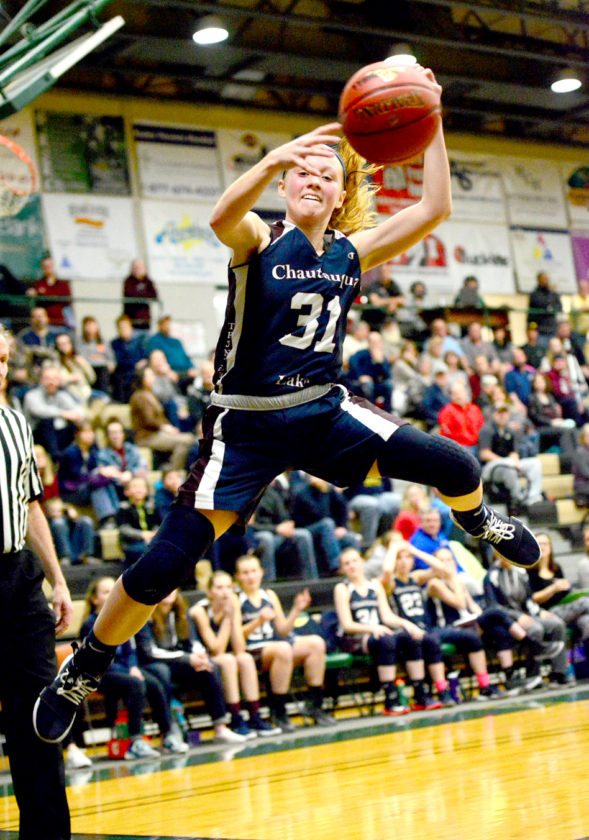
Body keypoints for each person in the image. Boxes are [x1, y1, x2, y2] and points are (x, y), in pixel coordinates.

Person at [33, 94, 541, 746]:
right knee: (161, 567)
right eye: (302, 171)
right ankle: (85, 666)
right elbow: (221, 217)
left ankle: (478, 521)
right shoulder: (259, 239)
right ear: (283, 184)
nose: (312, 179)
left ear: (338, 196)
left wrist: (434, 119)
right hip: (244, 428)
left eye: (326, 175)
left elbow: (434, 208)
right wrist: (274, 157)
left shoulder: (350, 252)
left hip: (322, 411)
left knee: (457, 464)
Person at [0, 326, 73, 839]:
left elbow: (30, 505)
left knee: (38, 718)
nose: (0, 368)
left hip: (19, 580)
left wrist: (58, 580)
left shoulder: (15, 423)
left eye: (4, 359)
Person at [81, 576, 186, 759]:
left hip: (124, 669)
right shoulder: (90, 624)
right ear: (94, 599)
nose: (111, 595)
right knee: (136, 684)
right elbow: (97, 659)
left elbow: (131, 650)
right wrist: (128, 671)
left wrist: (133, 667)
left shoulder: (124, 618)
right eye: (105, 592)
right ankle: (135, 741)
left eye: (113, 591)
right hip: (101, 674)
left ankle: (167, 734)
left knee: (154, 683)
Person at [335, 547, 440, 713]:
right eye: (347, 563)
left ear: (362, 562)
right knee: (386, 640)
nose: (352, 566)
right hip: (354, 638)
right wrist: (373, 628)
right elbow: (347, 624)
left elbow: (387, 616)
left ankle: (420, 694)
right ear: (342, 569)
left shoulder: (374, 585)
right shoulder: (342, 588)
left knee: (410, 637)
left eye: (354, 561)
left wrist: (406, 624)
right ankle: (391, 698)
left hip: (378, 633)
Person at [235, 553, 334, 729]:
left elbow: (282, 630)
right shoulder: (236, 599)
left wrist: (296, 609)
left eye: (254, 571)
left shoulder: (269, 595)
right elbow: (235, 635)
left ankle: (315, 704)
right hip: (252, 650)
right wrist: (258, 621)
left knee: (316, 643)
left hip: (277, 647)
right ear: (238, 576)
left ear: (261, 572)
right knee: (283, 649)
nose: (250, 576)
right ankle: (279, 710)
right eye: (245, 573)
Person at [134, 588, 246, 744]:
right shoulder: (145, 614)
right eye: (164, 587)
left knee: (209, 667)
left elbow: (193, 642)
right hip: (153, 663)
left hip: (179, 662)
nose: (169, 591)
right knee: (162, 671)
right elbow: (149, 652)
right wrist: (187, 658)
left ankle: (221, 727)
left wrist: (201, 657)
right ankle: (168, 730)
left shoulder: (181, 611)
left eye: (172, 587)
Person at [190, 570, 281, 737]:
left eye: (228, 587)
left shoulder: (233, 606)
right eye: (219, 588)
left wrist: (233, 616)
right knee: (228, 660)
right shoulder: (200, 610)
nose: (225, 592)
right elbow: (216, 648)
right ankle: (236, 717)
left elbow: (240, 648)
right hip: (205, 657)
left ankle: (255, 715)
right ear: (210, 592)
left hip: (227, 655)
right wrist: (227, 619)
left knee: (245, 659)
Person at [26, 256, 74, 329]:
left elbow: (66, 299)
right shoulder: (39, 283)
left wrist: (44, 294)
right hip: (44, 324)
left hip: (61, 323)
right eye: (45, 266)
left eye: (50, 266)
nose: (48, 268)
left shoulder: (62, 283)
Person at [122, 258, 159, 331]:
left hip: (145, 321)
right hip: (132, 320)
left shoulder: (148, 281)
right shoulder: (128, 281)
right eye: (136, 267)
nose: (138, 270)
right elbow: (130, 294)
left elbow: (154, 294)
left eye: (140, 268)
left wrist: (141, 295)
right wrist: (144, 295)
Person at [528, 271, 562, 343]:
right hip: (540, 329)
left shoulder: (552, 293)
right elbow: (541, 305)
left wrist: (552, 308)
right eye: (544, 279)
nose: (546, 281)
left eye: (547, 279)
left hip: (552, 328)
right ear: (539, 280)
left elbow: (559, 307)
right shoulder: (535, 294)